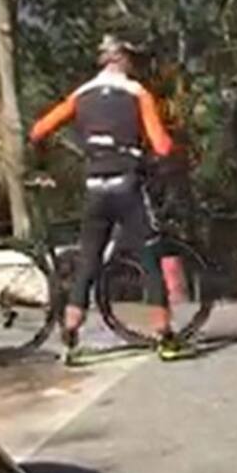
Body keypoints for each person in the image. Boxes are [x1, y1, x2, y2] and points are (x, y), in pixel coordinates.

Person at [28, 35, 184, 363]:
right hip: (127, 184)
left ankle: (70, 336)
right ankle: (166, 337)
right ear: (124, 60)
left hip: (94, 185)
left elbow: (39, 130)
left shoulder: (80, 95)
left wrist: (44, 163)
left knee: (88, 260)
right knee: (149, 257)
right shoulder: (138, 93)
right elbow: (163, 146)